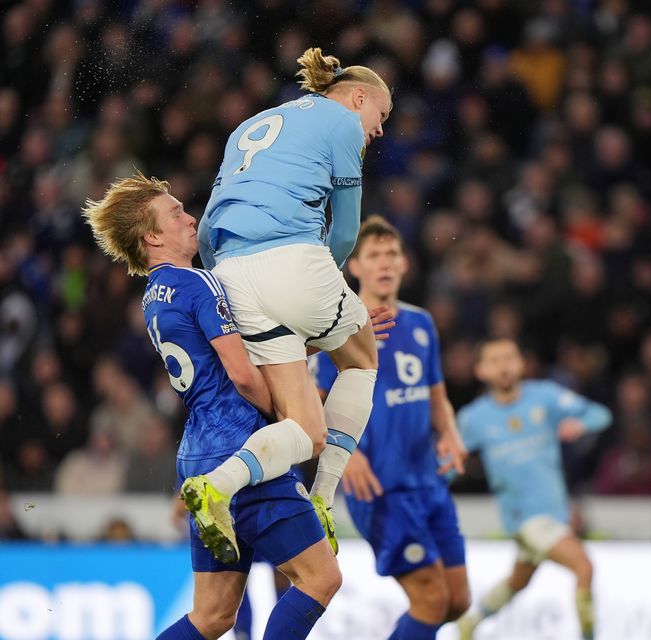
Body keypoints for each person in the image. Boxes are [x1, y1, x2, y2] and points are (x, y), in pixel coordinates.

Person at [84, 173, 340, 640]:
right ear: (152, 236)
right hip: (242, 450)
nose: (191, 219)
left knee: (214, 616)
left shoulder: (154, 294)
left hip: (198, 453)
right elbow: (242, 374)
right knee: (321, 579)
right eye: (177, 213)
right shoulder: (200, 284)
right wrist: (286, 418)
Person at [197, 47, 393, 550]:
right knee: (363, 358)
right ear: (357, 97)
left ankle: (216, 486)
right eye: (381, 114)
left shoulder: (250, 123)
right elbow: (346, 233)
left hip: (232, 271)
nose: (380, 129)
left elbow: (203, 231)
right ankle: (324, 498)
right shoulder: (344, 126)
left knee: (306, 427)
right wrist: (319, 291)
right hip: (293, 258)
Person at [312, 216, 471, 640]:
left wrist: (451, 433)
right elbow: (315, 402)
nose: (385, 263)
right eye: (374, 255)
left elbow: (436, 395)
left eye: (392, 254)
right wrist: (350, 456)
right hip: (380, 487)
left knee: (457, 601)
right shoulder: (343, 326)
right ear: (356, 267)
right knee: (431, 600)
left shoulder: (421, 324)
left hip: (429, 482)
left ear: (405, 264)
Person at [455, 337, 612, 640]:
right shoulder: (473, 418)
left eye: (509, 358)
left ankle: (470, 625)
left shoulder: (545, 397)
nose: (503, 367)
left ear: (521, 364)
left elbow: (600, 415)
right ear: (481, 371)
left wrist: (581, 425)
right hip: (523, 516)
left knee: (518, 581)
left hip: (556, 512)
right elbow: (448, 461)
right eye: (495, 360)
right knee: (584, 567)